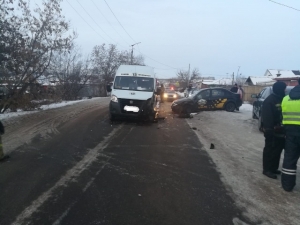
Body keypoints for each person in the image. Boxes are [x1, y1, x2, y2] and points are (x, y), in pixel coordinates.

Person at [262, 81, 287, 179]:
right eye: (284, 88)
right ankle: (267, 169)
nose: (285, 90)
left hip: (280, 130)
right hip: (271, 131)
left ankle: (273, 168)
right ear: (280, 89)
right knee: (269, 150)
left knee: (277, 150)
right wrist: (269, 130)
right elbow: (267, 117)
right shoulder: (270, 100)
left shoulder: (282, 99)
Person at [281, 79, 300, 191]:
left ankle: (287, 186)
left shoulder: (286, 98)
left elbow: (282, 115)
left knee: (289, 159)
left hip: (290, 132)